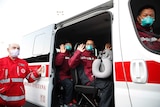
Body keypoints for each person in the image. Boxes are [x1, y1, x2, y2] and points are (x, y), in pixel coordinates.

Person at [68, 40, 113, 107]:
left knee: (109, 81)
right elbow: (71, 64)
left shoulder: (94, 57)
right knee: (109, 85)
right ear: (85, 45)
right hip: (87, 80)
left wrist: (106, 51)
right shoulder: (80, 55)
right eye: (87, 44)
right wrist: (78, 52)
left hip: (95, 78)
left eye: (91, 44)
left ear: (94, 46)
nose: (89, 45)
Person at [55, 42, 76, 107]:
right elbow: (57, 63)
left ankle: (73, 99)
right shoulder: (60, 54)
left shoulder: (70, 55)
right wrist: (62, 53)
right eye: (67, 45)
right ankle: (67, 102)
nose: (69, 46)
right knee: (69, 84)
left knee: (75, 83)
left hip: (69, 75)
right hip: (61, 75)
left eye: (70, 45)